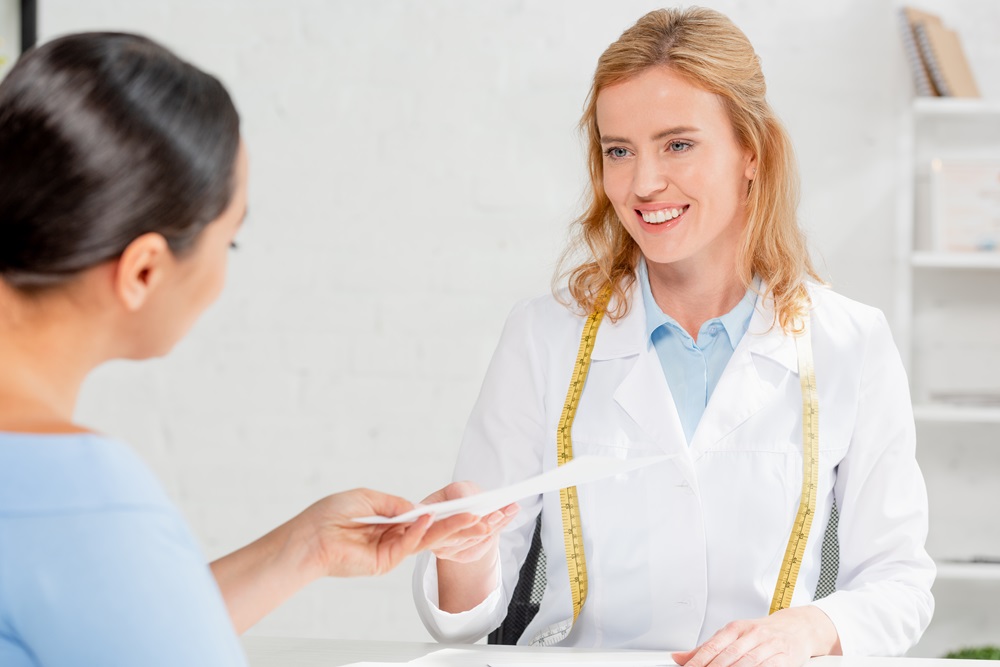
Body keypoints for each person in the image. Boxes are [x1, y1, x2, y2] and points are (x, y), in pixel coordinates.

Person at [413, 6, 935, 665]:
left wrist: (807, 628)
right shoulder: (542, 337)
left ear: (754, 151)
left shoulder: (851, 341)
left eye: (678, 144)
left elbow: (900, 582)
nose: (643, 182)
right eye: (618, 150)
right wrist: (461, 550)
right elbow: (464, 623)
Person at [0, 32, 503, 666]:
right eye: (227, 242)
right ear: (145, 271)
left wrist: (306, 547)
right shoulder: (81, 497)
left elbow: (110, 625)